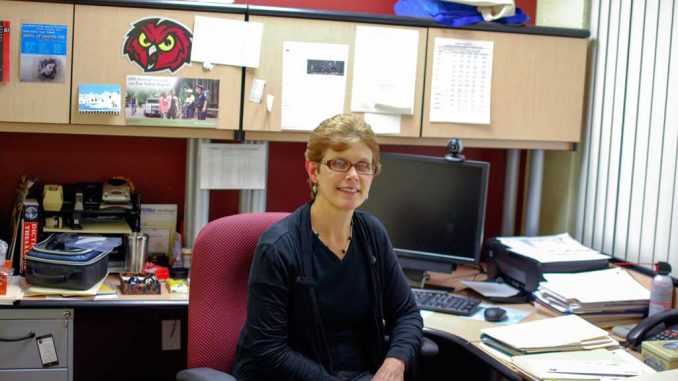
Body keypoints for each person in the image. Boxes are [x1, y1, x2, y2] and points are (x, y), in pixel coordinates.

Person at [233, 114, 423, 381]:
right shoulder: (278, 247)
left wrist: (394, 363)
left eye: (363, 165)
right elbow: (269, 351)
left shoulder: (373, 235)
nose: (353, 176)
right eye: (340, 163)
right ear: (313, 171)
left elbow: (406, 314)